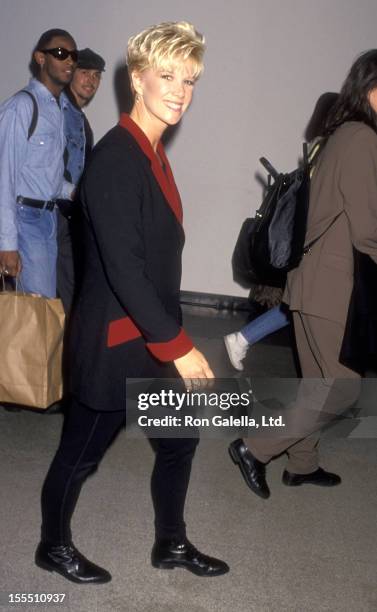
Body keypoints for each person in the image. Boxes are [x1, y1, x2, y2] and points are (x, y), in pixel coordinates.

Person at [35, 21, 229, 583]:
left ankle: (170, 542)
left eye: (189, 80)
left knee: (180, 440)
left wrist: (170, 340)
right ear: (137, 79)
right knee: (81, 454)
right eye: (167, 75)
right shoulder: (119, 158)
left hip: (150, 336)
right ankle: (52, 545)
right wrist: (183, 349)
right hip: (117, 342)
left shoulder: (150, 152)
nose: (179, 90)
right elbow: (126, 271)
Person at [229, 51, 377, 497]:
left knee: (318, 384)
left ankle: (302, 463)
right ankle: (254, 448)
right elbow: (368, 229)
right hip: (332, 286)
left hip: (315, 282)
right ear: (367, 88)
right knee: (343, 390)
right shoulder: (363, 139)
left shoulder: (340, 134)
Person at [224, 92, 340, 372]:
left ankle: (243, 338)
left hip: (312, 242)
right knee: (303, 305)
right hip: (319, 243)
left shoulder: (320, 146)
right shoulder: (331, 148)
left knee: (300, 305)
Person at [0, 29, 77, 296]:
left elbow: (47, 178)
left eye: (73, 56)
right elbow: (4, 178)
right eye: (60, 53)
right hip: (25, 219)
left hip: (48, 218)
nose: (69, 60)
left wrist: (75, 191)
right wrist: (7, 244)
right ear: (40, 58)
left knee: (41, 310)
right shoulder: (21, 106)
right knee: (36, 307)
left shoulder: (56, 109)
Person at [57, 47, 106, 314]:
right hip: (49, 214)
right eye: (84, 72)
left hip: (66, 216)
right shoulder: (58, 110)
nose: (91, 80)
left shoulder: (79, 119)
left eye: (96, 75)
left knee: (66, 291)